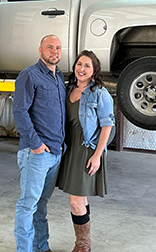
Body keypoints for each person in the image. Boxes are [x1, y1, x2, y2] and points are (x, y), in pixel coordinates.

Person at [57, 50, 115, 252]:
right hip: (68, 147)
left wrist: (98, 155)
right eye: (79, 64)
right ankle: (84, 242)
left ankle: (83, 245)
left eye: (87, 66)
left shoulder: (100, 93)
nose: (81, 69)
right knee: (79, 199)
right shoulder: (67, 89)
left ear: (94, 70)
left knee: (75, 201)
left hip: (86, 148)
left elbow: (107, 126)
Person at [13, 34, 66, 252]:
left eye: (58, 48)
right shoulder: (30, 75)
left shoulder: (59, 76)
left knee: (41, 205)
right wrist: (35, 145)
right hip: (37, 153)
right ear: (40, 50)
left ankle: (41, 247)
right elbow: (19, 111)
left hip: (55, 153)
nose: (55, 51)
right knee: (28, 205)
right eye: (50, 47)